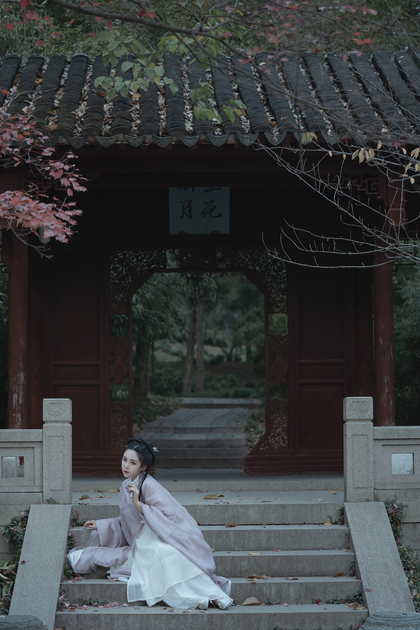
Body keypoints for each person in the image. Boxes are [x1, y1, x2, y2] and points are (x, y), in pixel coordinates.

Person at [67, 437, 233, 611]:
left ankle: (215, 595)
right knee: (158, 553)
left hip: (159, 531)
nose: (126, 466)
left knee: (166, 552)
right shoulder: (125, 485)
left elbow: (168, 515)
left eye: (132, 463)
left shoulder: (149, 485)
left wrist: (138, 504)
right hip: (143, 534)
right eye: (124, 459)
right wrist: (101, 525)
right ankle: (196, 598)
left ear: (143, 467)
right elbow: (128, 519)